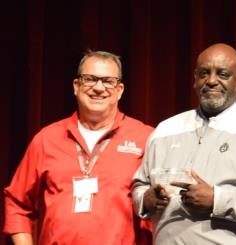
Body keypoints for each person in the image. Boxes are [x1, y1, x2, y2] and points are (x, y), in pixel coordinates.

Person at [132, 43, 236, 244]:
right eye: (204, 73)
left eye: (223, 74)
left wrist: (218, 199)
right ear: (195, 79)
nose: (211, 81)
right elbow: (140, 184)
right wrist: (146, 199)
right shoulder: (165, 129)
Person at [3, 50, 154, 244]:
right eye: (90, 79)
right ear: (76, 86)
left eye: (108, 81)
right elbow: (16, 202)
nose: (99, 88)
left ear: (120, 90)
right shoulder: (46, 139)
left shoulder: (146, 138)